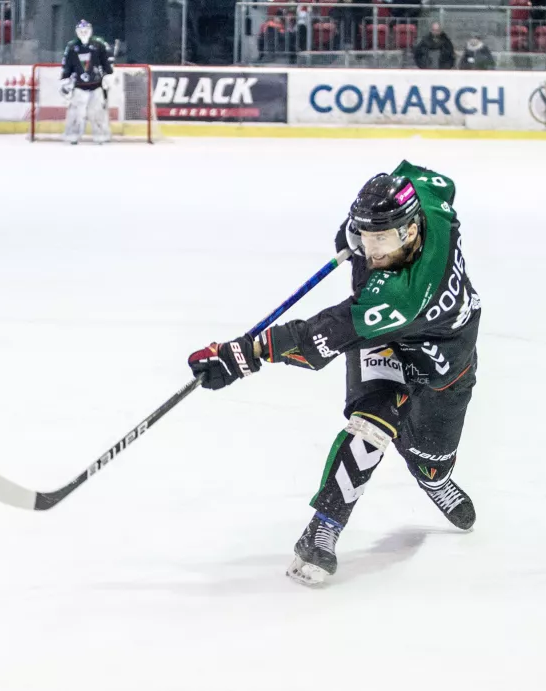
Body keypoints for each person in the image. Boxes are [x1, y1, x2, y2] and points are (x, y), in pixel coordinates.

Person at [187, 162, 482, 586]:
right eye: (367, 237)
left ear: (412, 230)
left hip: (443, 364)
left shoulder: (400, 295)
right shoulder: (427, 197)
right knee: (374, 421)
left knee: (431, 461)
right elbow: (428, 180)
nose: (372, 251)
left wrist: (242, 355)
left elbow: (318, 337)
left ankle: (434, 479)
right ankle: (323, 528)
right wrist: (354, 228)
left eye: (382, 239)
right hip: (383, 339)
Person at [59, 19, 115, 145]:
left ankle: (101, 136)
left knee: (98, 112)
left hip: (96, 85)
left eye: (86, 30)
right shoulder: (72, 46)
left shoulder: (99, 44)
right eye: (81, 31)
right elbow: (66, 65)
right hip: (79, 86)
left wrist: (109, 75)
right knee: (75, 113)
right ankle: (72, 136)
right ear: (77, 32)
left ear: (90, 31)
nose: (83, 33)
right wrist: (65, 79)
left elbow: (106, 61)